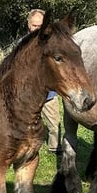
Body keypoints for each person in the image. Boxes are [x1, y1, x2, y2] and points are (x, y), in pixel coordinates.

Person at [26, 9, 62, 153]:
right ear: (29, 25)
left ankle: (54, 148)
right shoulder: (22, 45)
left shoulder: (53, 45)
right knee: (27, 124)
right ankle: (27, 149)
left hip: (49, 94)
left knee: (55, 123)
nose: (37, 29)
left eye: (40, 26)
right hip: (29, 95)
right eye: (35, 26)